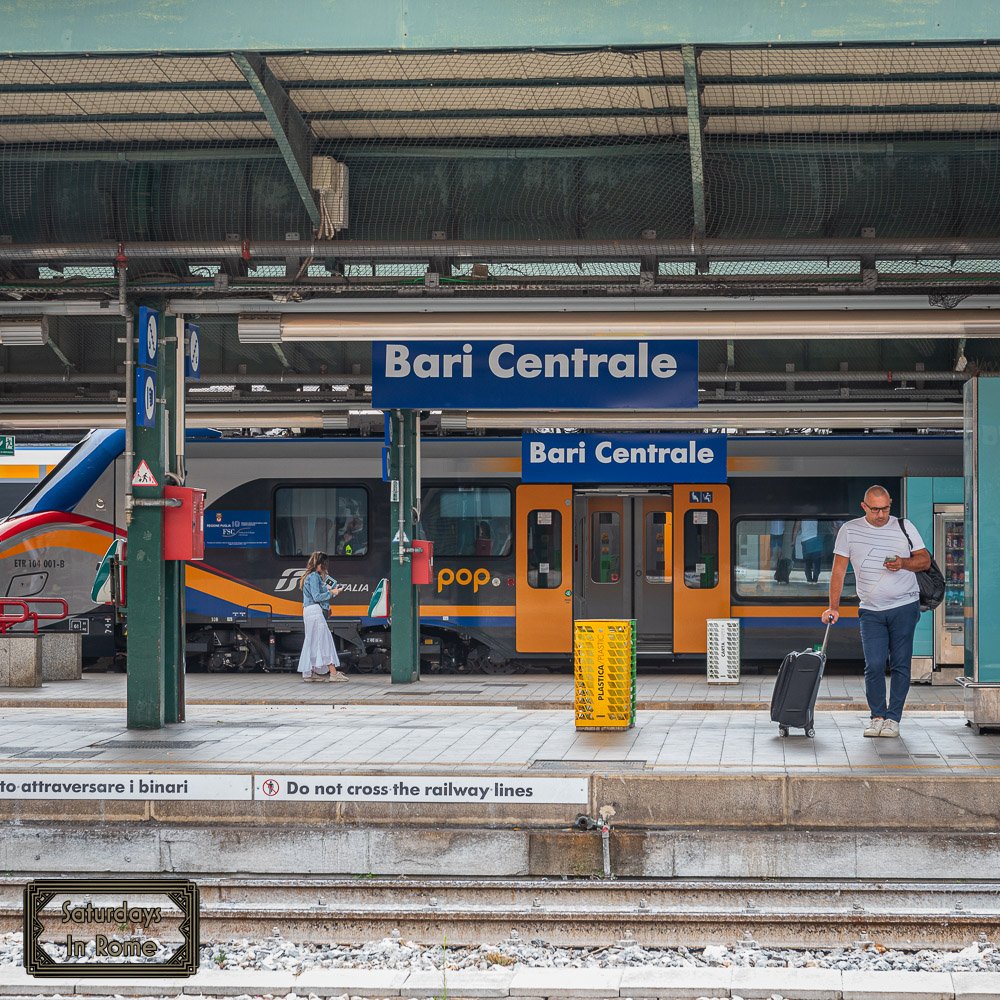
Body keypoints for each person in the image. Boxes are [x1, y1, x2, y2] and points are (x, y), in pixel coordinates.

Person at [821, 485, 930, 738]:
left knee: (901, 664)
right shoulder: (849, 531)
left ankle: (893, 719)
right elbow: (838, 571)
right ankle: (877, 716)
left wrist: (903, 563)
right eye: (875, 509)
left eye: (885, 508)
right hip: (870, 610)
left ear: (890, 504)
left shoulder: (905, 527)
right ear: (864, 507)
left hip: (904, 606)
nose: (881, 514)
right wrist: (833, 607)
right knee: (874, 664)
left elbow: (924, 560)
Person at [297, 550, 349, 683]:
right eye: (324, 564)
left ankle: (309, 673)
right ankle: (333, 673)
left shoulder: (309, 576)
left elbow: (317, 595)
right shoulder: (314, 576)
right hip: (314, 611)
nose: (326, 567)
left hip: (309, 611)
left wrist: (328, 602)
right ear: (319, 564)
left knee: (312, 641)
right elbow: (317, 596)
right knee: (324, 640)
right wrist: (332, 592)